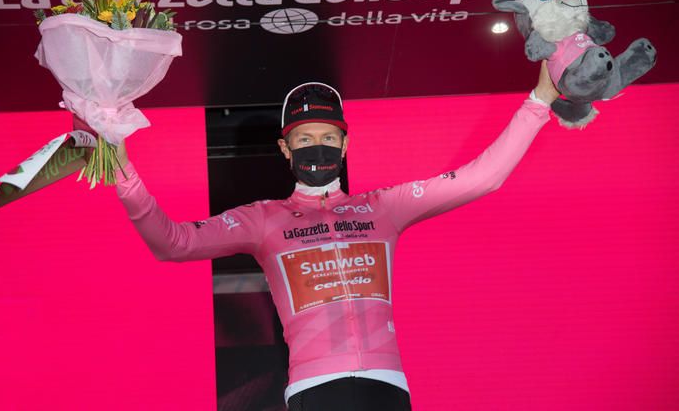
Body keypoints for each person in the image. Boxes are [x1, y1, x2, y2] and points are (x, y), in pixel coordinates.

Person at [113, 62, 560, 411]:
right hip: (314, 387)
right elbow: (172, 242)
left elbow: (482, 178)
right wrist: (121, 167)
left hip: (387, 384)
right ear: (285, 149)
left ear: (345, 146)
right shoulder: (263, 219)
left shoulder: (383, 206)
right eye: (304, 138)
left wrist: (539, 101)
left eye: (329, 136)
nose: (318, 146)